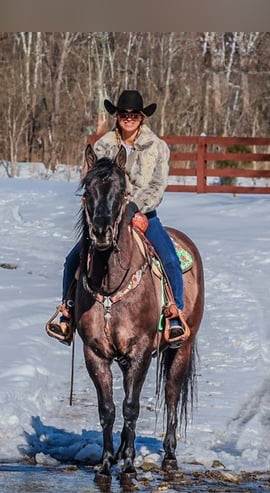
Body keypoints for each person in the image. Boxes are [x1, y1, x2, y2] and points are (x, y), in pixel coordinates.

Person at [47, 89, 187, 346]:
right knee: (72, 260)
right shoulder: (103, 146)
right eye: (124, 113)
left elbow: (157, 185)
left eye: (134, 114)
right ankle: (67, 312)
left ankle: (175, 313)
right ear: (117, 115)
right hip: (107, 215)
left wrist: (135, 208)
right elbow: (91, 180)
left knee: (169, 257)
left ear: (142, 117)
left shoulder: (157, 147)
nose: (128, 118)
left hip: (143, 213)